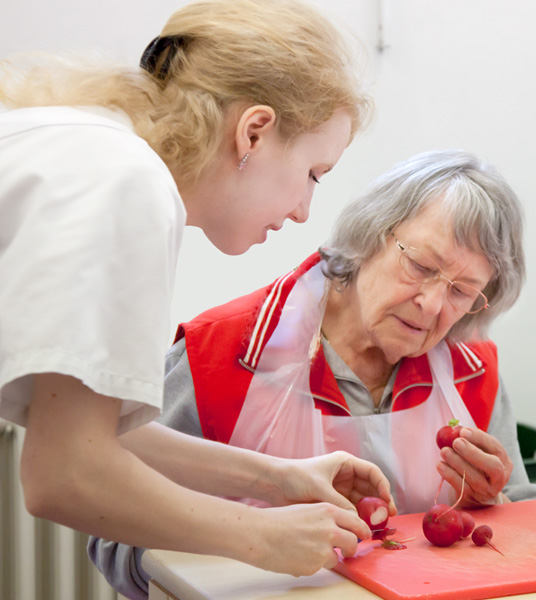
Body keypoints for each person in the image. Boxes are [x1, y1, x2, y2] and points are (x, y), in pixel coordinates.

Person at [0, 0, 396, 579]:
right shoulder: (126, 182)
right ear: (254, 131)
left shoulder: (91, 151)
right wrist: (263, 537)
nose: (304, 211)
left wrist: (280, 480)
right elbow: (64, 474)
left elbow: (93, 432)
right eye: (313, 174)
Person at [89, 149, 536, 599]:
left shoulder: (473, 371)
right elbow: (116, 541)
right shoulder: (220, 353)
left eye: (463, 292)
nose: (432, 304)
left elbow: (525, 534)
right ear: (370, 235)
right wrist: (248, 537)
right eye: (421, 266)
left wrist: (492, 503)